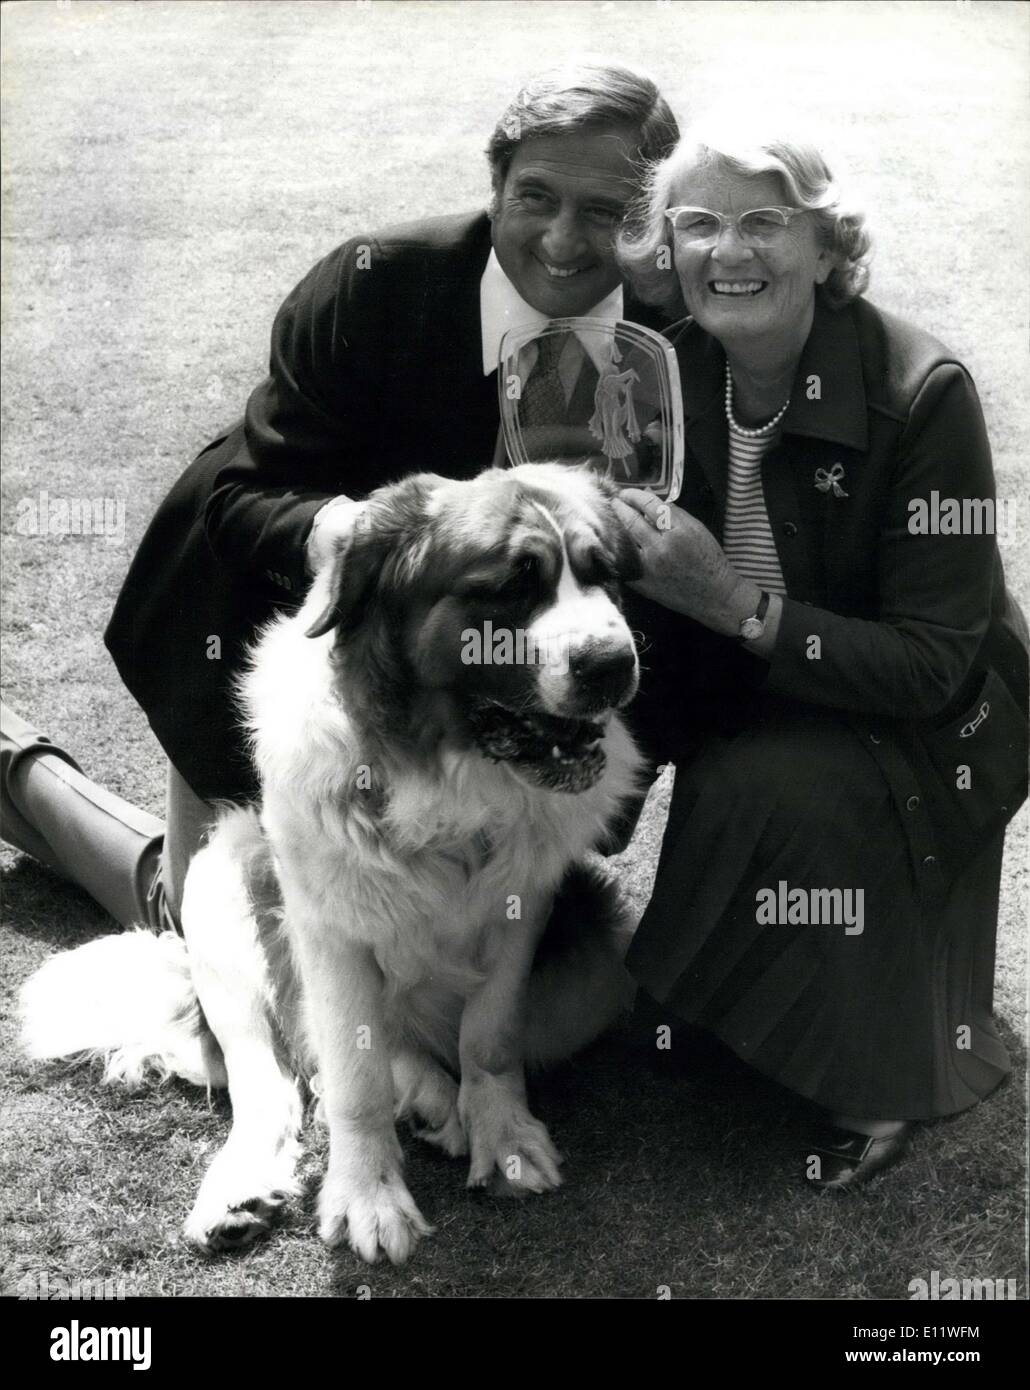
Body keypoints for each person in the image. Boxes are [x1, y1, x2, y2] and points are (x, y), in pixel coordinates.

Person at [1, 63, 679, 931]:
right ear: (495, 184)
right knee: (208, 927)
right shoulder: (374, 284)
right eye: (535, 197)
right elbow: (245, 492)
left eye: (608, 211)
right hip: (277, 627)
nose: (561, 239)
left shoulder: (676, 338)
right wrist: (350, 535)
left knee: (431, 936)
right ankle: (18, 770)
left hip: (491, 693)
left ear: (650, 221)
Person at [611, 122, 1028, 1187]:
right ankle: (740, 1014)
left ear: (830, 248)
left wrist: (737, 606)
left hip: (947, 723)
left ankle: (878, 1076)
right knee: (732, 776)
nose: (727, 251)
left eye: (764, 222)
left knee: (779, 783)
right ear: (667, 249)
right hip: (765, 684)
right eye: (697, 224)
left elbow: (934, 665)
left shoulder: (925, 392)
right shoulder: (661, 372)